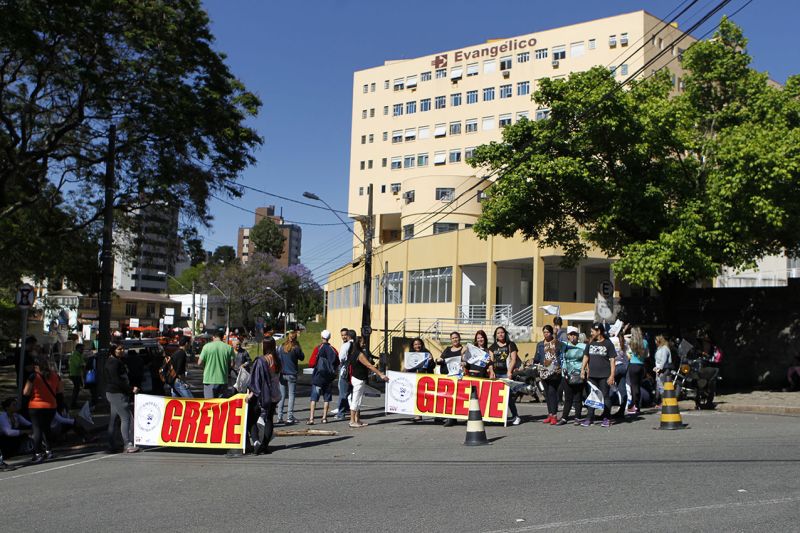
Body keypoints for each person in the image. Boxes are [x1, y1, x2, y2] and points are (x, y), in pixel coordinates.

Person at [23, 353, 64, 463]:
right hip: (51, 406)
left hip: (36, 406)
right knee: (47, 428)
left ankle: (38, 453)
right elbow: (60, 391)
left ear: (36, 365)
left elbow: (25, 392)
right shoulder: (56, 375)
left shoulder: (33, 376)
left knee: (37, 430)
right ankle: (49, 451)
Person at [246, 337, 281, 455]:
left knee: (251, 419)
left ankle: (256, 442)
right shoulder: (277, 359)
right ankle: (265, 445)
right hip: (275, 393)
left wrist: (250, 394)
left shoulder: (261, 361)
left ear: (265, 346)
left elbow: (256, 380)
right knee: (269, 419)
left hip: (262, 394)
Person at [580, 323, 617, 428]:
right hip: (592, 376)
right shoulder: (591, 343)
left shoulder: (608, 344)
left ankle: (606, 418)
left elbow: (612, 360)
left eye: (592, 331)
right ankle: (590, 418)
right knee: (592, 396)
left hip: (604, 375)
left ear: (599, 331)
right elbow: (586, 356)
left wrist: (612, 375)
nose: (591, 333)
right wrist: (582, 369)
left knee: (605, 396)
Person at [105, 344, 139, 453]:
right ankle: (127, 444)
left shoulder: (115, 361)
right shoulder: (114, 362)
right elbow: (116, 380)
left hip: (114, 393)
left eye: (123, 349)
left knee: (114, 419)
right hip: (117, 393)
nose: (122, 351)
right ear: (113, 350)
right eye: (119, 349)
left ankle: (111, 444)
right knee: (126, 418)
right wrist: (130, 389)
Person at [348, 336, 388, 428]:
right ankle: (352, 421)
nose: (365, 344)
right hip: (358, 379)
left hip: (357, 378)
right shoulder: (359, 354)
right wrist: (380, 374)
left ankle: (357, 420)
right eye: (363, 343)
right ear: (358, 343)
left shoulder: (354, 352)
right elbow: (369, 365)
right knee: (356, 400)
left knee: (359, 400)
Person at [489, 326, 521, 425]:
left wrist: (510, 372)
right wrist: (491, 372)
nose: (500, 334)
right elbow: (490, 361)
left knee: (508, 396)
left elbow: (513, 359)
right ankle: (499, 416)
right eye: (498, 333)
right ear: (496, 335)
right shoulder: (492, 347)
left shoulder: (511, 345)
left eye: (502, 332)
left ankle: (516, 416)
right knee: (497, 397)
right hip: (496, 374)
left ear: (505, 333)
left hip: (505, 374)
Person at [534, 325, 564, 425]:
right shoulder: (540, 344)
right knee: (546, 393)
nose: (546, 334)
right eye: (544, 332)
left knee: (552, 392)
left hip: (554, 371)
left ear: (551, 333)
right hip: (543, 371)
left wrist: (559, 366)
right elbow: (537, 357)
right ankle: (550, 414)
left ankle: (555, 415)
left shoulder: (557, 343)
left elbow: (561, 355)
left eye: (548, 332)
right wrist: (533, 362)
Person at [307, 330, 338, 424]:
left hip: (318, 376)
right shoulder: (333, 349)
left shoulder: (318, 348)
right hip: (328, 378)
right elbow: (337, 362)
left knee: (314, 398)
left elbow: (311, 363)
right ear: (329, 338)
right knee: (326, 398)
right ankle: (324, 417)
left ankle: (311, 418)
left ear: (321, 337)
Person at [435, 332, 466, 427]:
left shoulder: (464, 349)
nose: (455, 339)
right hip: (448, 377)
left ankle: (456, 417)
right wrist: (438, 360)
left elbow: (467, 361)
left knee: (457, 398)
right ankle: (451, 418)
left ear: (459, 338)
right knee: (449, 398)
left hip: (459, 377)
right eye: (452, 338)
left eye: (456, 337)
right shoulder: (447, 350)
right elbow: (440, 360)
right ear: (451, 340)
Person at [558, 326, 586, 425]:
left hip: (578, 373)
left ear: (578, 336)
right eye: (571, 335)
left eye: (575, 334)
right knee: (568, 397)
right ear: (568, 336)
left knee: (578, 397)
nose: (573, 337)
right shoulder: (564, 345)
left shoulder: (583, 346)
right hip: (566, 374)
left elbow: (586, 359)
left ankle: (577, 417)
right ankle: (564, 417)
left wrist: (583, 370)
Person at [277, 330, 304, 424]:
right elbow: (302, 357)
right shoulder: (296, 348)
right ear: (295, 338)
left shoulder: (281, 347)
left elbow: (277, 357)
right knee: (291, 395)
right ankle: (289, 416)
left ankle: (279, 416)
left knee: (282, 395)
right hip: (292, 373)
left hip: (282, 373)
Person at [198, 331, 234, 398]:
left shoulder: (206, 347)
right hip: (223, 379)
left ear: (213, 337)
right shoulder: (229, 348)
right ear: (222, 337)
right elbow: (232, 364)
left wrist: (205, 366)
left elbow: (199, 363)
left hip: (209, 379)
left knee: (209, 404)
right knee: (221, 404)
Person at [406, 337, 434, 422]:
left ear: (421, 344)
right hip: (414, 378)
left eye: (419, 344)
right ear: (412, 346)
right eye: (415, 344)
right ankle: (418, 415)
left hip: (425, 377)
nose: (417, 346)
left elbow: (433, 366)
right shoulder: (410, 354)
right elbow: (408, 368)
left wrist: (431, 360)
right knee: (416, 396)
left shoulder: (427, 353)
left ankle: (434, 414)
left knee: (427, 396)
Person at [624, 326, 649, 414]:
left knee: (633, 386)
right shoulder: (645, 342)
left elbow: (622, 337)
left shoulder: (631, 342)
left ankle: (635, 405)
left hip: (633, 365)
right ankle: (636, 405)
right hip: (642, 365)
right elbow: (647, 355)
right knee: (638, 385)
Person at [334, 328, 352, 421]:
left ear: (348, 335)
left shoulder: (346, 345)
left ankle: (341, 413)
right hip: (350, 371)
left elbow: (341, 358)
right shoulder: (352, 345)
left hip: (344, 370)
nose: (343, 336)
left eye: (345, 335)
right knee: (348, 391)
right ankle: (347, 409)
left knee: (342, 392)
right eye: (342, 335)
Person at [653, 334, 673, 405]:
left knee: (661, 386)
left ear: (659, 341)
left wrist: (659, 368)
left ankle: (664, 402)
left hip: (664, 369)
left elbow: (663, 360)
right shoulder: (660, 348)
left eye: (656, 340)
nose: (655, 342)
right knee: (658, 385)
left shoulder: (664, 348)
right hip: (659, 369)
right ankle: (658, 401)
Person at [67, 343, 85, 409]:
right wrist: (83, 365)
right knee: (76, 389)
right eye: (82, 349)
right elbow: (78, 364)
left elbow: (82, 363)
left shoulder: (79, 355)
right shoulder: (75, 355)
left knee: (77, 389)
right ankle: (73, 404)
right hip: (74, 374)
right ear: (78, 349)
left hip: (77, 374)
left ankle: (73, 403)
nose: (83, 350)